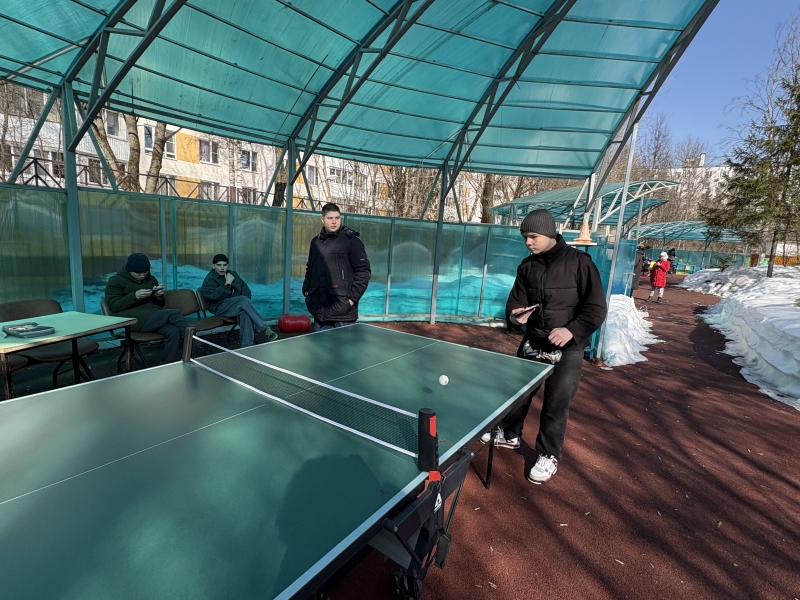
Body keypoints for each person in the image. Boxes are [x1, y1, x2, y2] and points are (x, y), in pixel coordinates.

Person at [482, 209, 607, 485]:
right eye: (525, 237)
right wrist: (515, 316)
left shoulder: (580, 263)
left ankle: (548, 454)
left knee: (556, 403)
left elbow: (596, 308)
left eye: (533, 236)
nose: (528, 242)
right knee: (519, 393)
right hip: (533, 340)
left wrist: (571, 331)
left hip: (568, 347)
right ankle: (510, 434)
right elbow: (515, 302)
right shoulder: (526, 267)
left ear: (550, 233)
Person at [105, 253, 188, 363]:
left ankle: (167, 363)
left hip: (151, 315)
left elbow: (160, 304)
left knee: (174, 331)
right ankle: (191, 346)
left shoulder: (151, 279)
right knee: (174, 313)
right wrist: (134, 296)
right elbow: (114, 306)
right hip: (132, 319)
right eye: (138, 273)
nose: (142, 276)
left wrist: (158, 296)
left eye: (145, 272)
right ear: (129, 270)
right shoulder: (115, 281)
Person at [302, 203, 371, 331]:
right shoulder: (315, 242)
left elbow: (363, 271)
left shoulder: (351, 241)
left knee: (343, 344)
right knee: (321, 344)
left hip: (343, 312)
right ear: (322, 219)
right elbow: (310, 268)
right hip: (319, 310)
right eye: (330, 218)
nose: (334, 221)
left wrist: (351, 299)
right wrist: (307, 290)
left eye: (337, 218)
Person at [201, 254, 278, 347]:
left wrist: (244, 303)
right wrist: (227, 283)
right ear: (213, 266)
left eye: (224, 265)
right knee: (243, 301)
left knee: (245, 313)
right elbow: (215, 297)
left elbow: (246, 291)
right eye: (219, 265)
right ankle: (264, 328)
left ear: (228, 265)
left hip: (238, 305)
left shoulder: (233, 274)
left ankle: (247, 346)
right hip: (219, 307)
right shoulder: (209, 280)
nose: (222, 268)